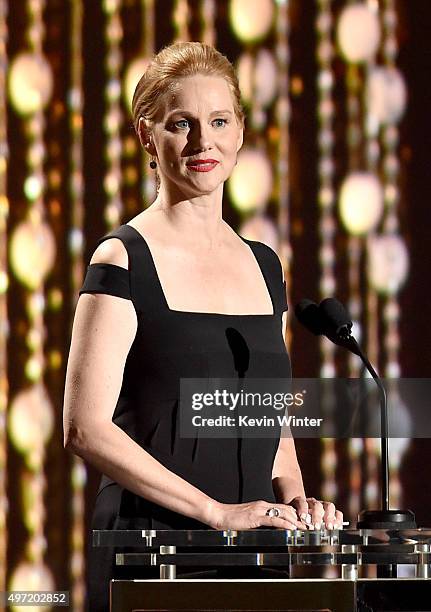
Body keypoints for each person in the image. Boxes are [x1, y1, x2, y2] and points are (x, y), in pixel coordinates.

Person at [63, 41, 343, 612]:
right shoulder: (122, 258)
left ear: (240, 131)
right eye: (180, 123)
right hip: (152, 551)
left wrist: (299, 503)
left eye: (218, 121)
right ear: (147, 136)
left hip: (256, 555)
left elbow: (274, 426)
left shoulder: (266, 266)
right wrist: (216, 514)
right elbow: (85, 428)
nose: (202, 142)